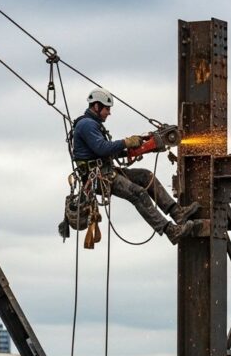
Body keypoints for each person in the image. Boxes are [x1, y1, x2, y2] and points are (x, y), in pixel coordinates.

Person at [70, 88, 199, 244]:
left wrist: (140, 148)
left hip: (106, 171)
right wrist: (126, 142)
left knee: (146, 176)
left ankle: (177, 213)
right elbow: (102, 148)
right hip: (98, 178)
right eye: (107, 108)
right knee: (138, 194)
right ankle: (170, 231)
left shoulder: (93, 125)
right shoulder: (86, 125)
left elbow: (107, 153)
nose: (109, 112)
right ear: (96, 106)